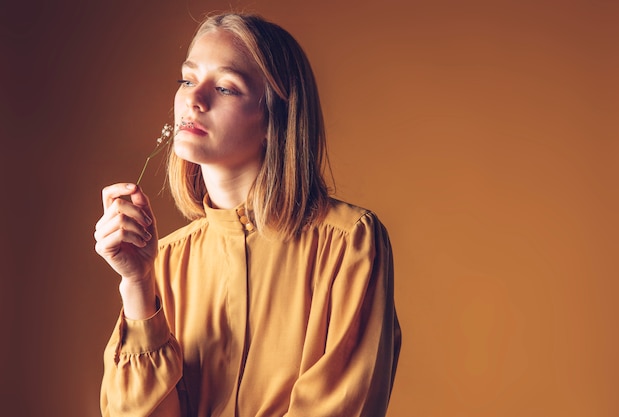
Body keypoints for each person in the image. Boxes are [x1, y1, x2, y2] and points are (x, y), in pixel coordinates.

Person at [94, 12, 401, 417]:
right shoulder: (163, 262)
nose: (193, 99)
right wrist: (136, 283)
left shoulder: (350, 243)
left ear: (276, 118)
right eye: (187, 79)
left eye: (224, 87)